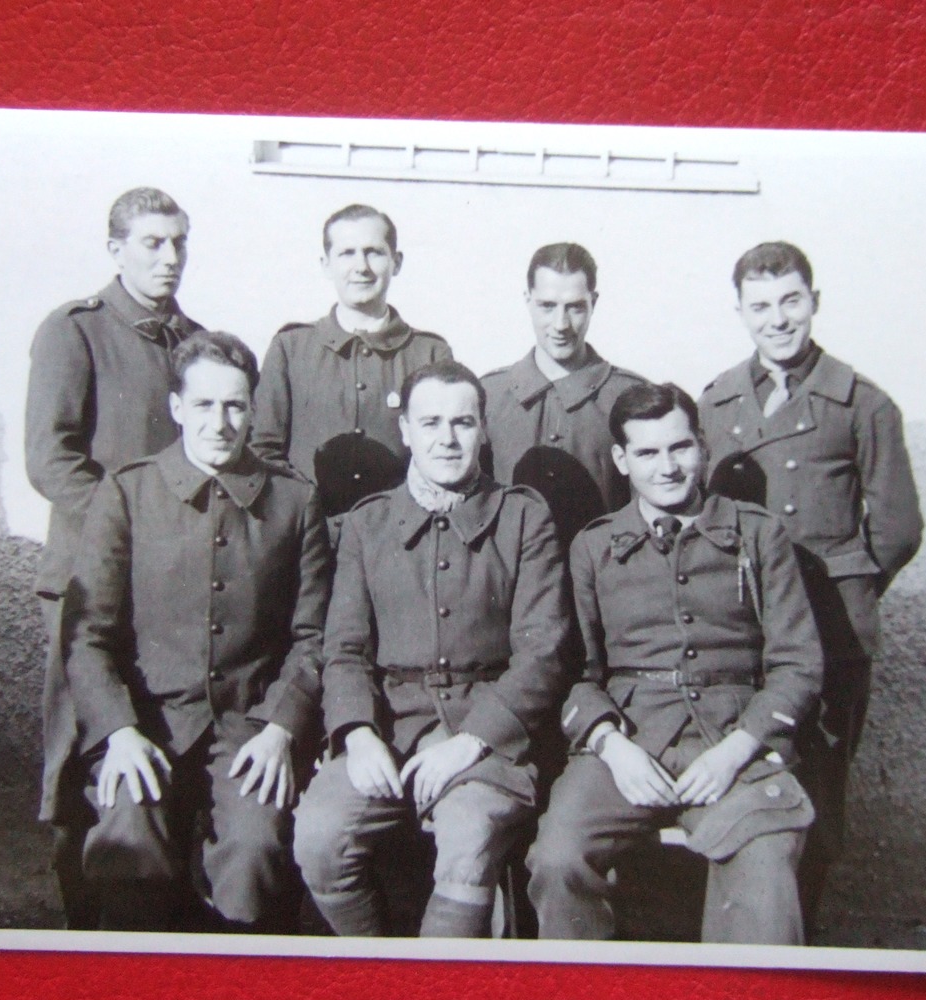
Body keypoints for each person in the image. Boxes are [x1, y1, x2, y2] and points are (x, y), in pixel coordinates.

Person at [528, 382, 823, 944]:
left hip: (735, 733)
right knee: (559, 858)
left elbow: (798, 665)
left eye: (679, 448)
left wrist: (737, 750)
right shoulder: (594, 547)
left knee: (763, 861)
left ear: (702, 446)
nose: (667, 467)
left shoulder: (758, 534)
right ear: (621, 460)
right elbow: (575, 674)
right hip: (632, 738)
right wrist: (613, 748)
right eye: (646, 453)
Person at [61, 331, 330, 931]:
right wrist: (118, 732)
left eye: (235, 405)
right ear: (177, 407)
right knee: (127, 839)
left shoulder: (292, 502)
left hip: (247, 730)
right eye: (204, 405)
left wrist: (281, 730)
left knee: (254, 848)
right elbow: (88, 636)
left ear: (252, 408)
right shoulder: (128, 492)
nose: (221, 422)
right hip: (146, 723)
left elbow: (312, 637)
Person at [293, 361, 571, 938]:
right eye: (431, 422)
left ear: (484, 429)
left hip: (493, 735)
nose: (447, 438)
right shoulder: (369, 524)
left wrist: (472, 741)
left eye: (463, 422)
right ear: (406, 432)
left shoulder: (523, 517)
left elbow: (543, 652)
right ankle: (378, 979)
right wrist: (357, 732)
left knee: (469, 835)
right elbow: (343, 649)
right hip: (392, 729)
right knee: (319, 837)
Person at [698, 241, 923, 923]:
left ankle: (806, 940)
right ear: (740, 311)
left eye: (791, 301)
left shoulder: (862, 403)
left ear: (814, 303)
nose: (778, 319)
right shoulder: (717, 401)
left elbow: (898, 528)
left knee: (818, 794)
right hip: (745, 635)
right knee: (751, 787)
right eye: (760, 306)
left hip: (830, 632)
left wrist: (842, 588)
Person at [24, 187, 202, 928]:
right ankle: (80, 925)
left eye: (178, 243)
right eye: (152, 242)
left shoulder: (195, 341)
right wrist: (126, 531)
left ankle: (157, 917)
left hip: (172, 585)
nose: (168, 257)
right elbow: (50, 458)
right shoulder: (76, 330)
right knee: (79, 756)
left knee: (158, 739)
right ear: (116, 248)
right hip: (90, 580)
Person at [250, 204, 452, 524]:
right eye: (347, 253)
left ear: (396, 262)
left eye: (374, 252)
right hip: (309, 534)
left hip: (397, 534)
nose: (361, 267)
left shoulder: (429, 354)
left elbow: (441, 455)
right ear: (326, 264)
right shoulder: (291, 348)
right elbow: (264, 450)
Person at [480, 242, 647, 550]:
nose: (561, 324)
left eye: (575, 307)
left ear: (593, 302)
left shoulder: (629, 396)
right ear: (527, 301)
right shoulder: (488, 396)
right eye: (547, 306)